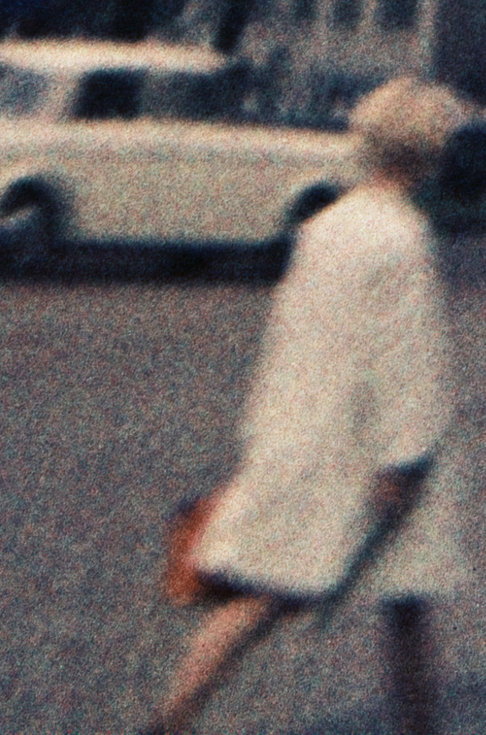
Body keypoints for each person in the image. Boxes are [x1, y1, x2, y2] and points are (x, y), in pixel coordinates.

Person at [144, 76, 469, 735]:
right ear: (431, 151)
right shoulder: (404, 240)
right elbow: (405, 356)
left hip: (301, 428)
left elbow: (295, 336)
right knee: (403, 600)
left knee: (267, 586)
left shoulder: (325, 226)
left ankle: (173, 715)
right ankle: (421, 726)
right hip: (370, 448)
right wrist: (404, 458)